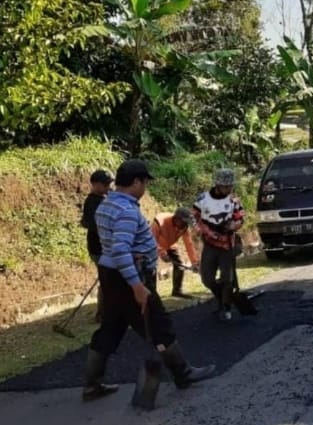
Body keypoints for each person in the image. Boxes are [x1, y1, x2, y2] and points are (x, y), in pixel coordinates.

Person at [82, 160, 215, 402]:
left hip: (110, 275)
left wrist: (130, 254)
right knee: (159, 325)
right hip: (131, 276)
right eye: (144, 183)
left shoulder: (105, 205)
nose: (145, 188)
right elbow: (121, 250)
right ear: (135, 182)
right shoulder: (127, 211)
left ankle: (92, 385)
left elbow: (112, 244)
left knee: (111, 327)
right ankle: (182, 373)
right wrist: (137, 286)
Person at [192, 168, 245, 321]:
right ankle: (221, 296)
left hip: (227, 244)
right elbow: (194, 217)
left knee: (227, 279)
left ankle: (226, 307)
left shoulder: (234, 200)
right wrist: (203, 230)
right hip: (209, 244)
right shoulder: (203, 199)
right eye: (226, 186)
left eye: (230, 186)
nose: (229, 189)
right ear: (218, 185)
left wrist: (235, 225)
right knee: (207, 279)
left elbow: (240, 217)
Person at [80, 169, 113, 323]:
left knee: (110, 279)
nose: (108, 187)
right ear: (95, 185)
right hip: (98, 248)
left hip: (107, 247)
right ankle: (102, 314)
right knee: (107, 281)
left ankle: (110, 311)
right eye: (105, 185)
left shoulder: (106, 196)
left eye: (109, 184)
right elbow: (93, 225)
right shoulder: (92, 202)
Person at [151, 208, 200, 298]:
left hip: (170, 244)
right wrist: (161, 252)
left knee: (180, 266)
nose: (185, 225)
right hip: (154, 246)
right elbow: (152, 239)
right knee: (151, 268)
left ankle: (177, 291)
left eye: (187, 223)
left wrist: (194, 262)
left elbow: (188, 244)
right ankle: (152, 295)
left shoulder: (184, 227)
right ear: (177, 219)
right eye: (184, 222)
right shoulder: (159, 221)